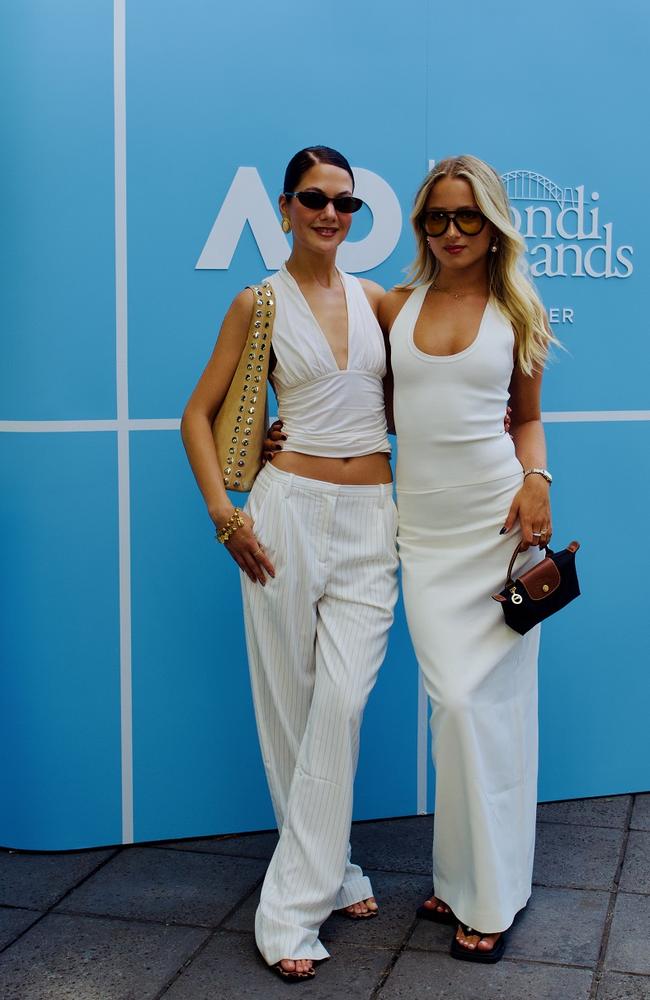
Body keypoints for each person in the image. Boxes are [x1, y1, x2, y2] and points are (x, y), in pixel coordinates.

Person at [181, 146, 399, 982]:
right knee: (291, 706)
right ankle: (319, 886)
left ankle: (299, 896)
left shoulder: (377, 299)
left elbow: (419, 393)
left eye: (346, 203)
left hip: (371, 519)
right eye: (315, 198)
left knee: (339, 703)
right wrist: (224, 514)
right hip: (283, 516)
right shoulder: (257, 302)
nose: (331, 213)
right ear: (283, 207)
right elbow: (197, 417)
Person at [378, 154, 555, 962]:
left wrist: (538, 479)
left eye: (466, 218)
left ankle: (488, 896)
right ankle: (461, 875)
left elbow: (525, 420)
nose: (449, 232)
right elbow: (363, 411)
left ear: (493, 226)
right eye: (435, 219)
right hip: (424, 532)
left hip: (494, 526)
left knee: (486, 711)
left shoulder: (517, 309)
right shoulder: (395, 306)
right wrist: (282, 437)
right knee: (451, 712)